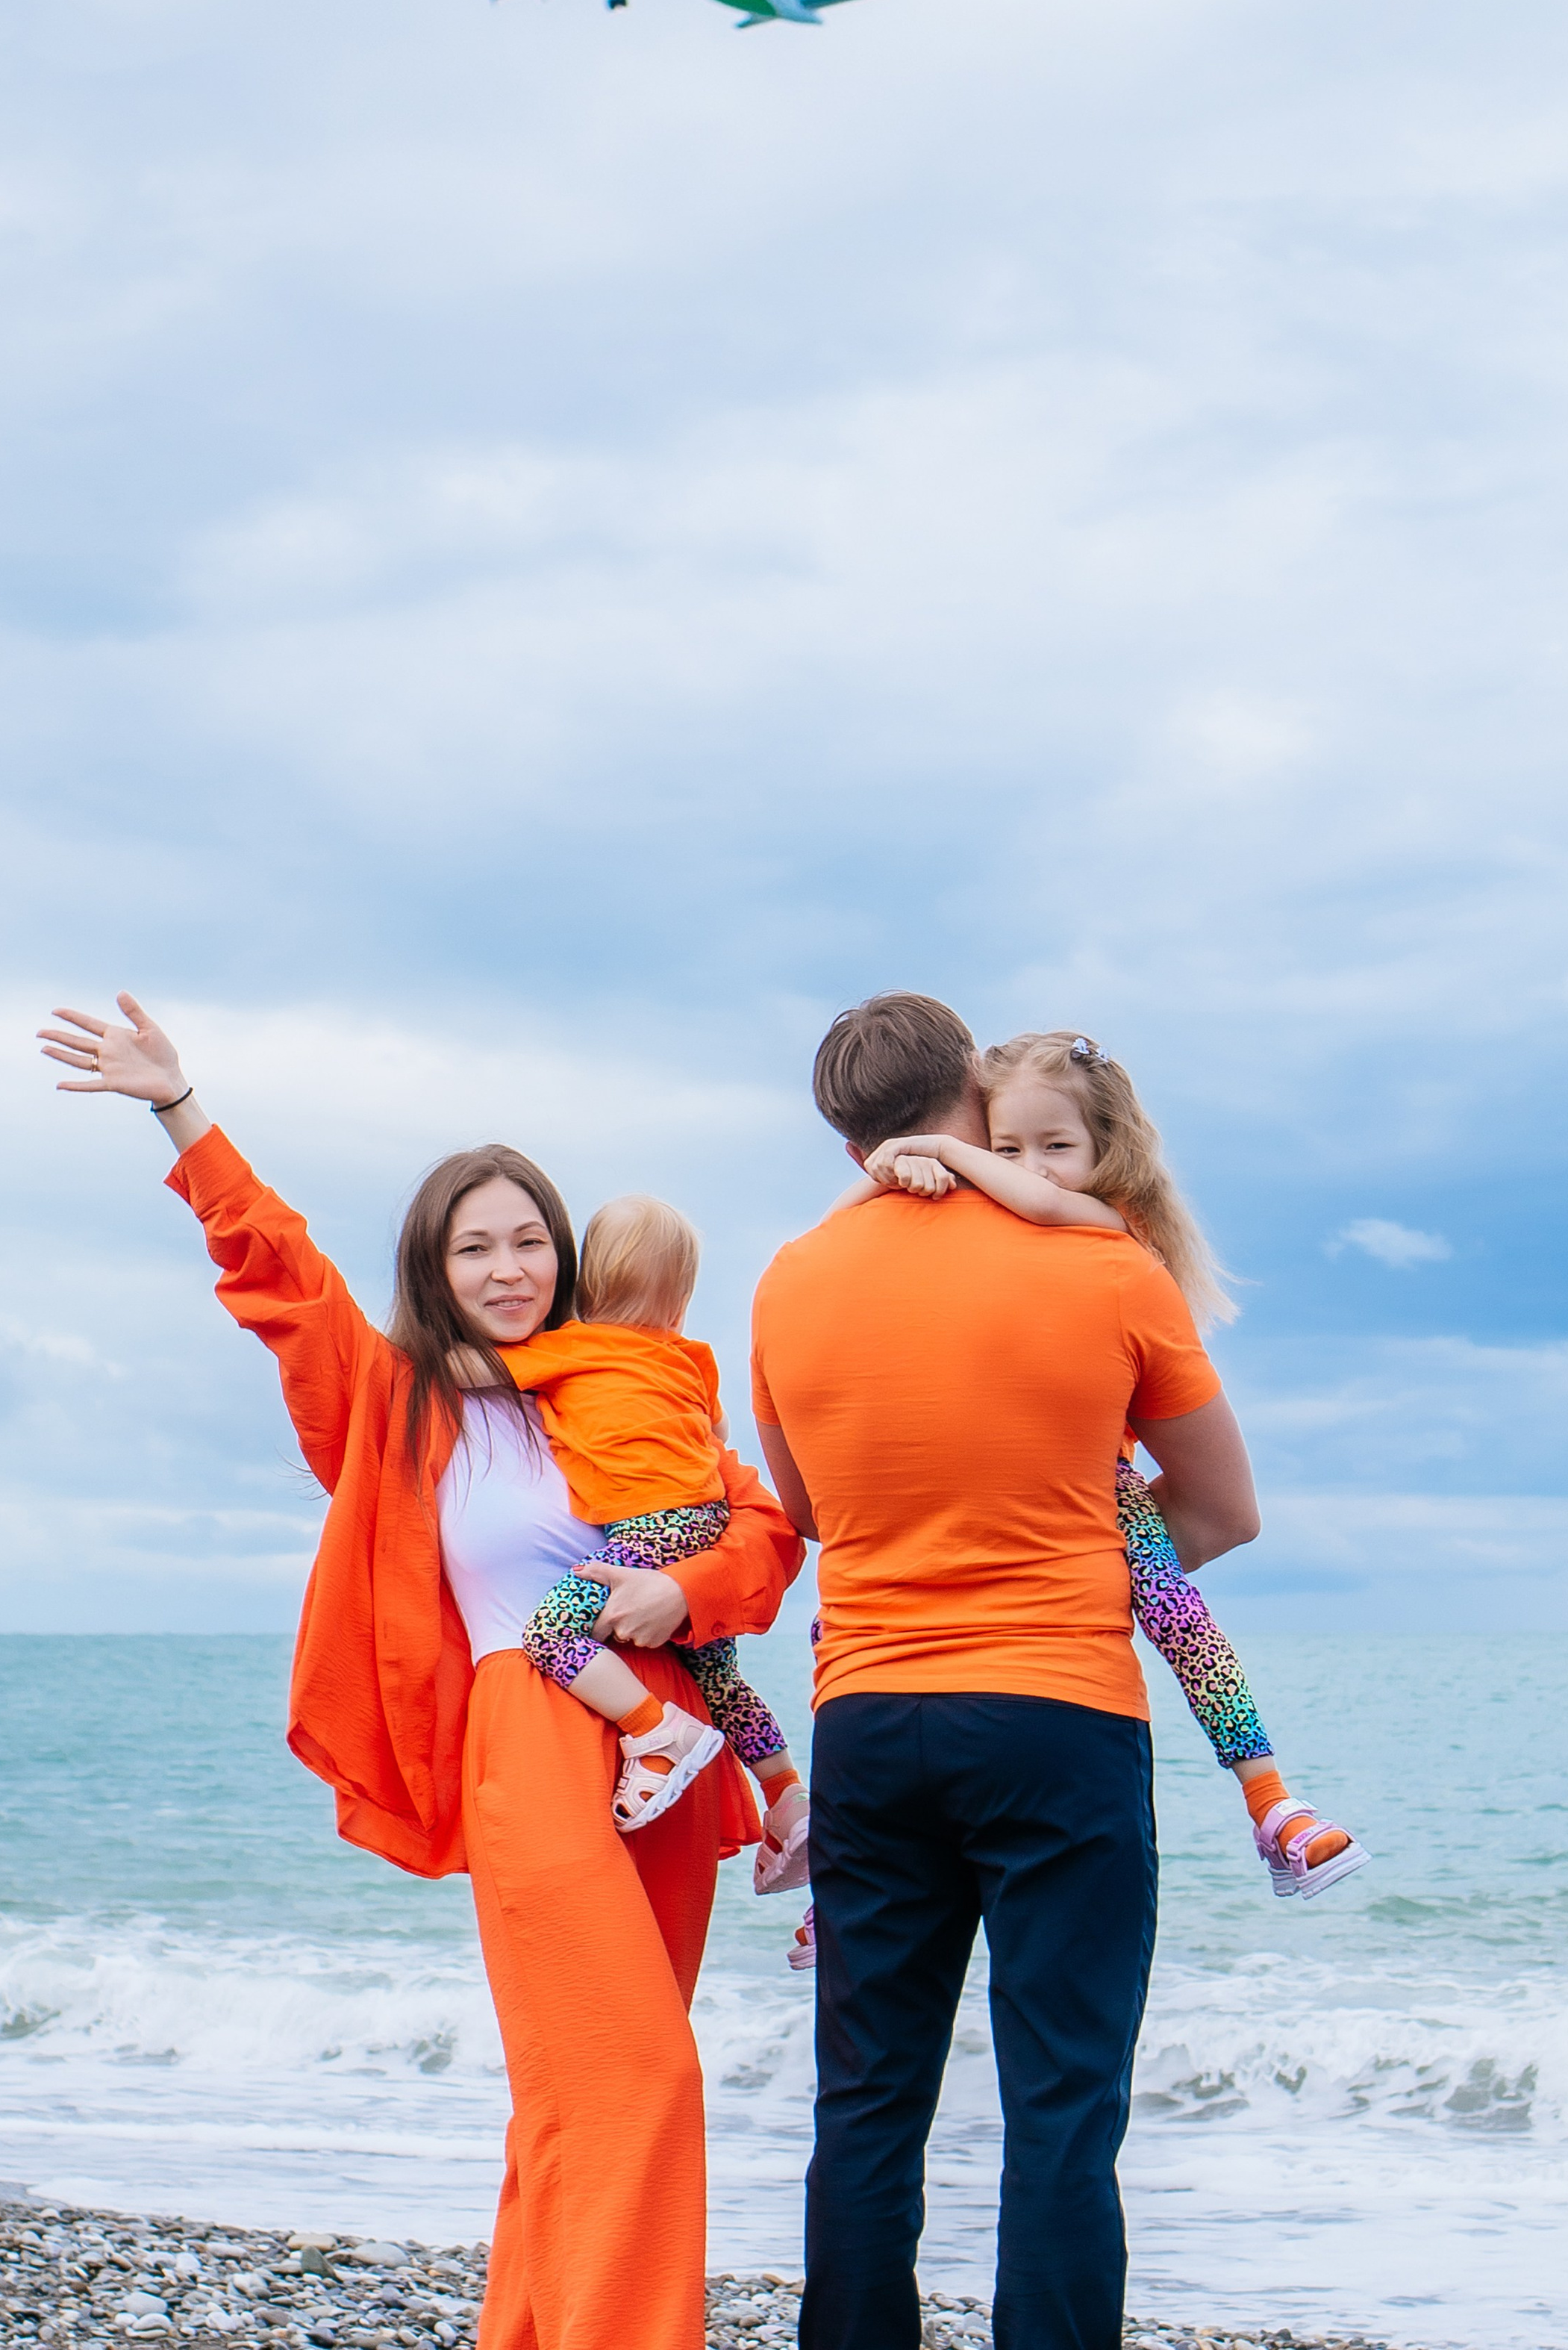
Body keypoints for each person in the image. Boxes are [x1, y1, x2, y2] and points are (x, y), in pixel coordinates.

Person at [37, 993, 803, 2350]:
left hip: (672, 1743)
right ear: (435, 1269)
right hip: (532, 1737)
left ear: (564, 1257)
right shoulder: (402, 1401)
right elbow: (282, 1278)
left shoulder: (624, 1382)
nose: (508, 1269)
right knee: (637, 2077)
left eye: (528, 1242)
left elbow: (758, 1537)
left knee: (574, 2095)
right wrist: (179, 1107)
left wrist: (676, 1590)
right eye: (475, 1248)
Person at [751, 991, 1264, 2350]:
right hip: (1058, 1715)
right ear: (972, 1093)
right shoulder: (1105, 1267)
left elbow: (803, 1509)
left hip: (866, 1714)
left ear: (841, 1126)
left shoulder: (789, 1278)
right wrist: (1090, 1549)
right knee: (1061, 2104)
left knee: (865, 2101)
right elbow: (1220, 1514)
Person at [849, 1029, 1365, 1901]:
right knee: (862, 1628)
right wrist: (886, 1172)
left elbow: (1046, 1208)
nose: (1032, 1169)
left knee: (1175, 1612)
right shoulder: (962, 1224)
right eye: (1007, 1147)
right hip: (973, 1514)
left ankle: (1270, 1801)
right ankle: (831, 1858)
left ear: (1105, 1152)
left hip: (1096, 1493)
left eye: (1057, 1147)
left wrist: (935, 1151)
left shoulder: (1101, 1225)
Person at [502, 1193, 810, 1878]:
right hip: (705, 1518)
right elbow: (717, 1434)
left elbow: (479, 1372)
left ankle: (655, 1731)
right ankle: (788, 1798)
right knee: (722, 1677)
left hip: (650, 1525)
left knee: (550, 1635)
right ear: (679, 1301)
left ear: (586, 1283)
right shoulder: (688, 1356)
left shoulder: (569, 1349)